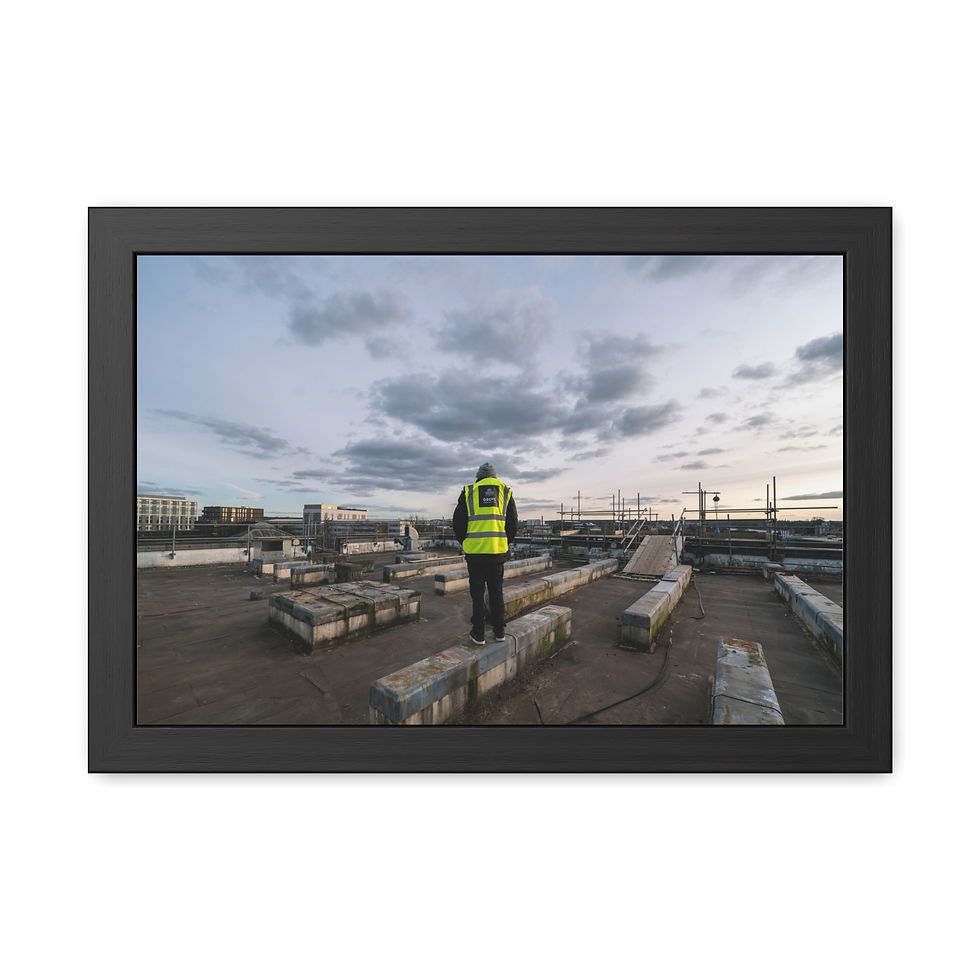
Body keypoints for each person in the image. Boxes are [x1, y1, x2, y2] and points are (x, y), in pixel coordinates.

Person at [453, 462, 518, 644]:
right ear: (494, 477)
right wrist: (504, 541)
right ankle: (499, 632)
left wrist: (465, 542)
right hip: (497, 552)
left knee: (477, 593)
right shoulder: (505, 492)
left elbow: (458, 523)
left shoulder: (469, 491)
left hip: (475, 554)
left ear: (478, 477)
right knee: (497, 592)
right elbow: (513, 523)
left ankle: (479, 633)